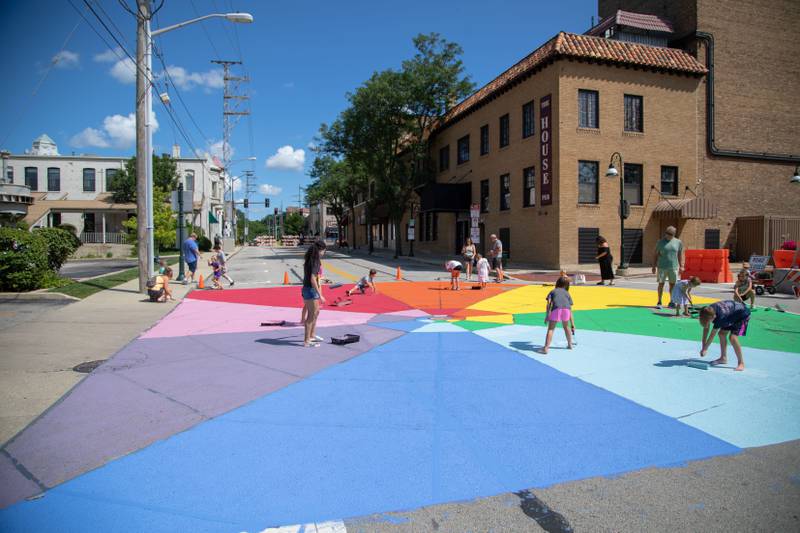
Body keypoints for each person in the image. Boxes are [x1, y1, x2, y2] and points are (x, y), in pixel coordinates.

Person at [699, 300, 750, 371]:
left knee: (732, 338)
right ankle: (723, 358)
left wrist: (705, 349)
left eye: (713, 318)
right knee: (722, 334)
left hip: (742, 315)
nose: (714, 318)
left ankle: (741, 363)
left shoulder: (719, 317)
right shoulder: (707, 311)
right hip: (730, 315)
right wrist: (703, 346)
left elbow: (712, 335)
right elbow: (706, 329)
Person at [652, 226, 684, 309]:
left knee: (672, 285)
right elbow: (655, 255)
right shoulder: (660, 242)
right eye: (667, 233)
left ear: (674, 234)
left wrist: (681, 266)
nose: (668, 235)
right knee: (661, 284)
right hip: (662, 267)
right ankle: (659, 301)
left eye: (671, 234)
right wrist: (653, 266)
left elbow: (680, 255)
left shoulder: (678, 242)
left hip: (673, 267)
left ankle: (672, 301)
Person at [302, 240, 327, 347]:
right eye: (324, 251)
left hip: (309, 289)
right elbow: (312, 279)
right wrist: (320, 294)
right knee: (311, 316)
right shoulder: (315, 261)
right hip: (310, 290)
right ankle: (307, 341)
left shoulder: (311, 260)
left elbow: (315, 277)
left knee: (316, 313)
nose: (324, 253)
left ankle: (311, 335)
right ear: (320, 250)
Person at [540, 276, 574, 354]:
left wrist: (547, 316)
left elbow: (549, 304)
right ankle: (570, 344)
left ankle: (546, 348)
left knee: (551, 329)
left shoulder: (553, 291)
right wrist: (572, 324)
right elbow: (570, 310)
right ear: (567, 285)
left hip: (556, 309)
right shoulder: (567, 293)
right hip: (566, 310)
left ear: (557, 283)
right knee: (566, 327)